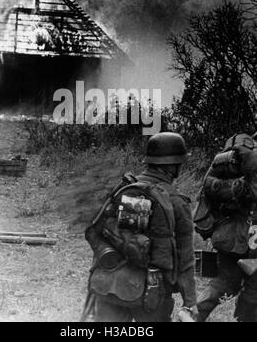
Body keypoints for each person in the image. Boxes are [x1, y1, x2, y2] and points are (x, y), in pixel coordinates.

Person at [84, 132, 198, 322]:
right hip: (150, 293)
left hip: (108, 283)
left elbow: (103, 230)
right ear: (173, 165)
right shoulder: (177, 202)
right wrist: (190, 301)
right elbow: (185, 257)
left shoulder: (125, 188)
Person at [195, 133, 257, 322]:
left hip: (229, 236)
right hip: (251, 236)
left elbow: (206, 188)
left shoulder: (237, 150)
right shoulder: (249, 155)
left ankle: (191, 314)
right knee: (254, 289)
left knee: (224, 282)